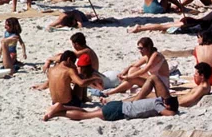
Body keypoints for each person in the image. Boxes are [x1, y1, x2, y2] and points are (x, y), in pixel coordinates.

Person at [102, 37, 170, 97]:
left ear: (148, 47)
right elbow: (133, 65)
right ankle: (123, 87)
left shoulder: (156, 55)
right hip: (153, 78)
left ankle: (112, 92)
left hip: (161, 83)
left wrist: (128, 77)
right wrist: (122, 73)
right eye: (139, 48)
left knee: (132, 79)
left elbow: (144, 70)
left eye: (141, 48)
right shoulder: (147, 56)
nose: (140, 51)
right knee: (133, 69)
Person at [49, 94, 180, 122]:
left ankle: (63, 107)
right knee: (86, 116)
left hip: (119, 105)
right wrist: (174, 111)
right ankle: (59, 112)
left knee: (90, 112)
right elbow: (168, 114)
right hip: (119, 111)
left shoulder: (156, 99)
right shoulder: (159, 105)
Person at [40, 51, 86, 120]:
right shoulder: (69, 70)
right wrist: (93, 79)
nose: (73, 64)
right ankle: (84, 99)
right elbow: (80, 83)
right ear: (69, 60)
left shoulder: (50, 70)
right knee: (82, 78)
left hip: (54, 102)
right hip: (68, 103)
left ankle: (58, 107)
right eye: (73, 62)